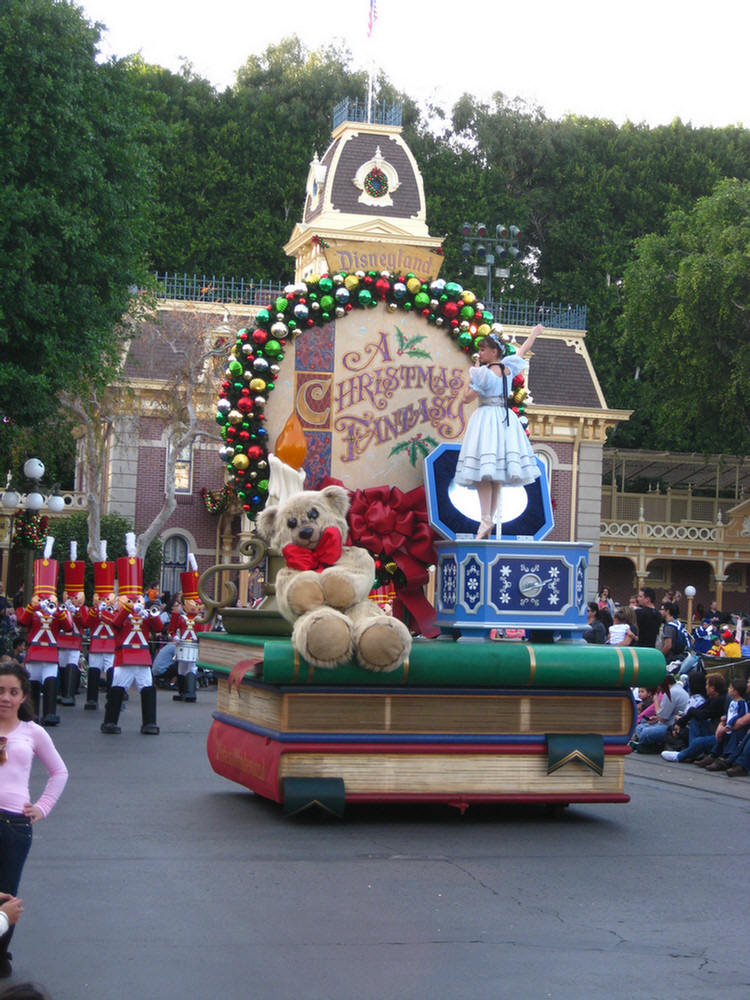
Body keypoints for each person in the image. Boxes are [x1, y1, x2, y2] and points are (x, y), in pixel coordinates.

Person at [0, 661, 68, 978]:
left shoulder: (32, 732)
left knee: (7, 891)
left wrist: (42, 806)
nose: (6, 698)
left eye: (13, 692)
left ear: (24, 696)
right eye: (0, 691)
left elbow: (59, 772)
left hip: (15, 824)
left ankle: (0, 954)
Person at [454, 324, 543, 539]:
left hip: (487, 418)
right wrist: (534, 334)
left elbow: (467, 398)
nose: (481, 353)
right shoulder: (508, 367)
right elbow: (522, 351)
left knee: (484, 472)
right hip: (504, 419)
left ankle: (485, 517)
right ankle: (488, 519)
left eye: (484, 349)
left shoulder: (483, 373)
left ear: (494, 351)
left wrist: (473, 375)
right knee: (495, 474)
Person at [631, 674, 689, 752]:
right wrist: (656, 719)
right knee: (640, 727)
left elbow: (662, 718)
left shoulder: (670, 693)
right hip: (669, 722)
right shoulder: (678, 690)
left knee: (645, 732)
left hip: (670, 727)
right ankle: (646, 744)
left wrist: (656, 700)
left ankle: (650, 746)